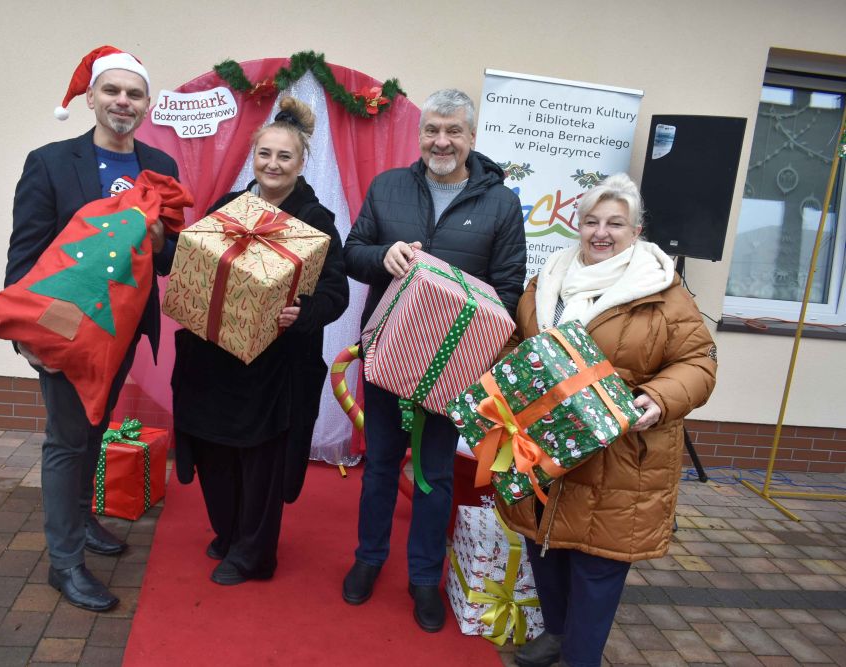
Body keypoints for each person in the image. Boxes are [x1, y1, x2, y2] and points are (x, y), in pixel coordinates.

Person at [499, 173, 717, 667]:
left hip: (618, 455)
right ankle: (557, 633)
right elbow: (518, 342)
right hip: (544, 446)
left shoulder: (662, 291)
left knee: (597, 566)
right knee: (545, 546)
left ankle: (581, 656)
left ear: (636, 231)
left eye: (615, 224)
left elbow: (698, 362)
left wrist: (657, 397)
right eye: (592, 221)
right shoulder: (548, 279)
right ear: (577, 226)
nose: (601, 233)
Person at [342, 88, 527, 632]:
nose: (441, 142)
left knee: (434, 474)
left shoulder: (501, 203)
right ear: (419, 134)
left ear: (472, 137)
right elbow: (352, 253)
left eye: (453, 131)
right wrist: (384, 256)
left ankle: (425, 577)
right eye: (431, 130)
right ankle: (368, 558)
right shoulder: (388, 187)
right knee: (379, 464)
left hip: (452, 369)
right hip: (389, 355)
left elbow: (509, 289)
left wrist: (471, 340)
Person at [5, 45, 179, 612]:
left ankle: (82, 520)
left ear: (147, 105)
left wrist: (162, 242)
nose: (122, 101)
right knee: (67, 439)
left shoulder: (161, 164)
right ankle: (65, 564)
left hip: (123, 330)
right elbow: (25, 254)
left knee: (97, 427)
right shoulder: (51, 163)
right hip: (64, 329)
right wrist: (29, 336)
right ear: (91, 98)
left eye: (134, 94)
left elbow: (170, 257)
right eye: (112, 91)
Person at [171, 97, 349, 586]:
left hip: (273, 369)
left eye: (284, 156)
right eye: (264, 154)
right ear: (253, 157)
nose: (273, 164)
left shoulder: (315, 219)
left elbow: (335, 291)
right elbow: (194, 256)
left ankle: (254, 554)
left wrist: (304, 312)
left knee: (259, 462)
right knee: (214, 451)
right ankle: (228, 533)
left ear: (301, 162)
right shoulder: (229, 207)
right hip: (214, 362)